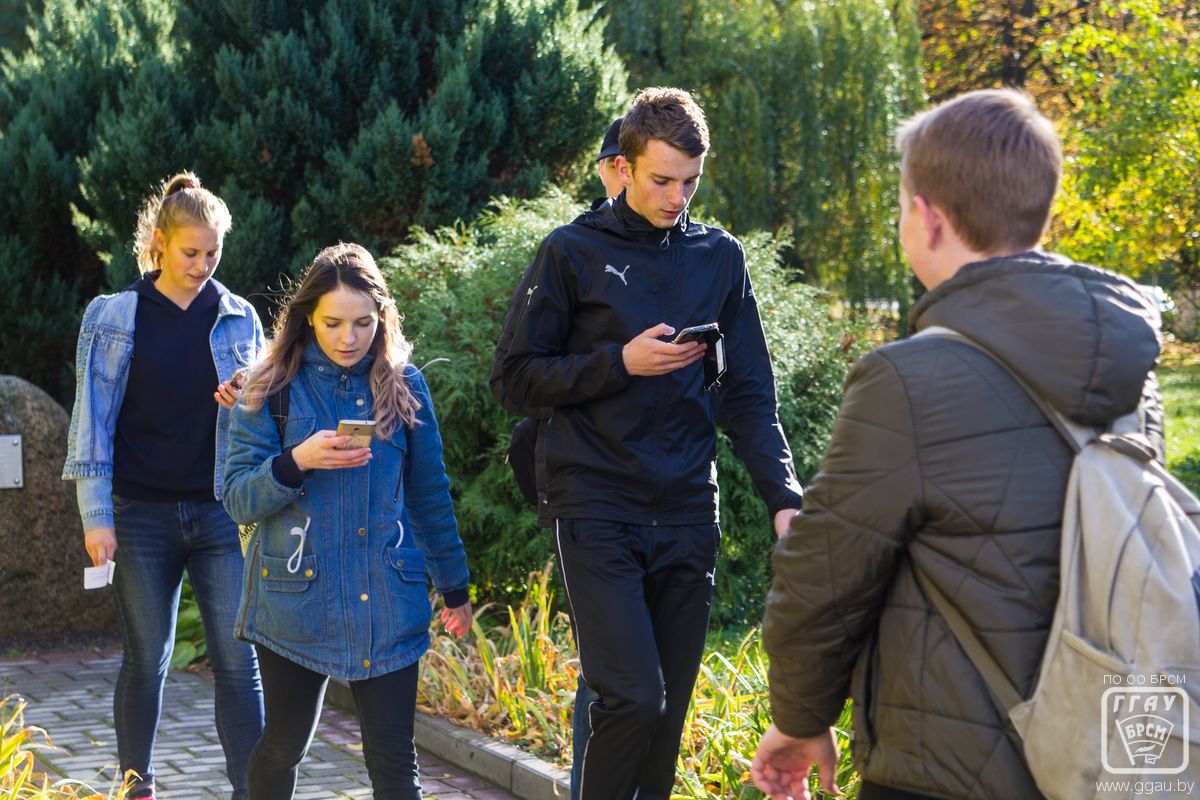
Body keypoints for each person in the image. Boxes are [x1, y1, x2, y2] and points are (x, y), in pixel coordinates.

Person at [751, 88, 1162, 800]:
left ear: (927, 217)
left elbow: (822, 580)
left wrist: (799, 719)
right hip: (1098, 761)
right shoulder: (1131, 369)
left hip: (945, 769)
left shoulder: (906, 381)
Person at [498, 87, 804, 799]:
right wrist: (619, 363)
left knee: (664, 724)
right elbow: (513, 379)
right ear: (623, 166)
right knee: (633, 698)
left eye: (690, 182)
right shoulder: (571, 252)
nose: (676, 196)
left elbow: (750, 394)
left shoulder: (720, 257)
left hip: (689, 509)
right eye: (662, 179)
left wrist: (785, 497)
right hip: (595, 500)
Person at [223, 242, 472, 800]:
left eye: (363, 322)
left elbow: (430, 494)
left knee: (393, 764)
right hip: (295, 603)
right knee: (285, 747)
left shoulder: (404, 385)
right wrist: (296, 462)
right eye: (333, 322)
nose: (348, 338)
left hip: (386, 598)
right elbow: (237, 498)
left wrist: (454, 586)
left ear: (382, 317)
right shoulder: (268, 387)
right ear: (307, 316)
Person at [62, 172, 266, 800]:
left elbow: (267, 419)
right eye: (190, 252)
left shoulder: (239, 318)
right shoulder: (113, 317)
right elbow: (91, 422)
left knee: (239, 662)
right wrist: (97, 517)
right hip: (139, 516)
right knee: (147, 660)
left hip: (218, 516)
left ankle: (252, 790)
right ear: (159, 242)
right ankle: (137, 785)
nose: (203, 266)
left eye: (213, 254)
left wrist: (247, 397)